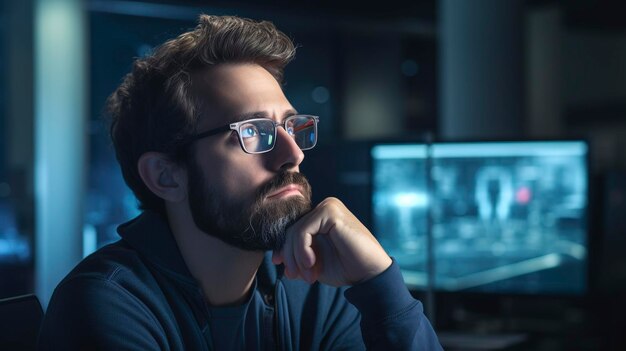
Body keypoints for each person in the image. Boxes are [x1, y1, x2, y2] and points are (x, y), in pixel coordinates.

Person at [38, 15, 441, 350]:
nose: (293, 155)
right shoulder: (107, 304)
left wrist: (379, 284)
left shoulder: (316, 285)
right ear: (165, 175)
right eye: (253, 132)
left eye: (291, 127)